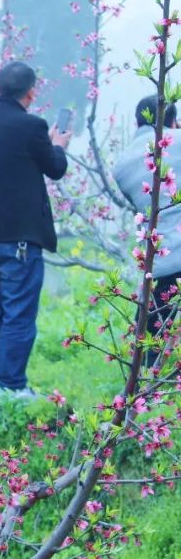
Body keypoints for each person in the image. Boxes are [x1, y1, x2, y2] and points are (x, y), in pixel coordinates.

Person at [0, 62, 70, 395]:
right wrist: (58, 144)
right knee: (18, 312)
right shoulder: (32, 126)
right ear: (31, 92)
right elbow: (54, 168)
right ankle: (11, 384)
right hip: (19, 240)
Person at [112, 95, 181, 363]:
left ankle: (144, 379)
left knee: (153, 324)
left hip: (158, 256)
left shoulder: (122, 163)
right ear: (172, 120)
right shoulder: (175, 142)